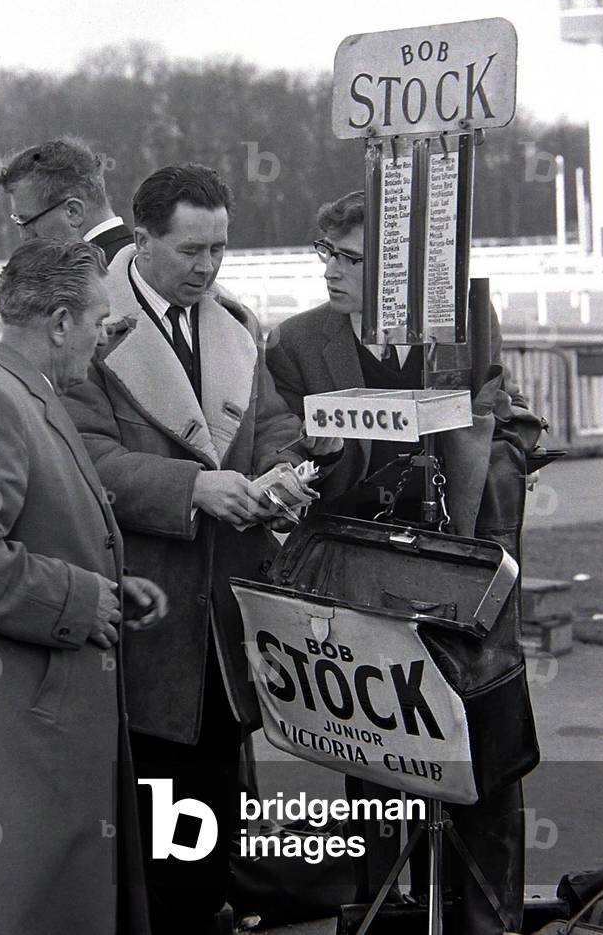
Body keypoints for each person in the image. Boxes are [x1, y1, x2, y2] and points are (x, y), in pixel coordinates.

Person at [62, 163, 339, 935]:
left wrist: (284, 470)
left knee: (208, 822)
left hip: (226, 624)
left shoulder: (236, 324)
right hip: (144, 627)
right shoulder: (92, 329)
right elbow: (87, 459)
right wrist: (194, 487)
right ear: (142, 239)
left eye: (219, 248)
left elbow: (273, 424)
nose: (208, 267)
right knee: (150, 835)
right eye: (191, 250)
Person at [266, 190, 543, 935]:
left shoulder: (465, 323)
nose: (331, 270)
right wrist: (315, 457)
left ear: (403, 273)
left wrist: (492, 450)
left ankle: (487, 918)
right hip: (362, 580)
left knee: (482, 745)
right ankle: (382, 912)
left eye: (351, 259)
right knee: (379, 755)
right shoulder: (294, 342)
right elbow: (281, 447)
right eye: (326, 253)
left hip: (461, 578)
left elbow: (508, 417)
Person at [0, 238, 167, 935]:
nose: (103, 337)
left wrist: (110, 585)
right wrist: (80, 599)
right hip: (22, 731)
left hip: (45, 715)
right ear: (58, 322)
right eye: (98, 321)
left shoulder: (22, 392)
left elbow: (29, 529)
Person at [0, 136, 133, 262]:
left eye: (27, 222)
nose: (25, 237)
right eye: (18, 221)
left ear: (73, 211)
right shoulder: (136, 260)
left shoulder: (91, 275)